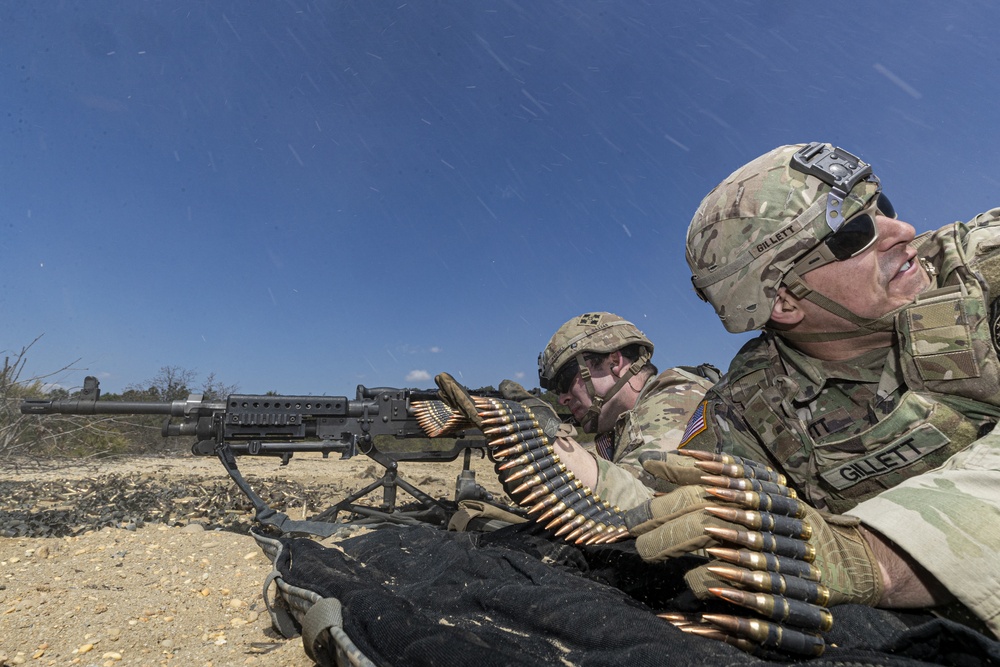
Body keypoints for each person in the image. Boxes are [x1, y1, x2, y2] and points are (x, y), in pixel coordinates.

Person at [674, 141, 1000, 636]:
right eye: (855, 233)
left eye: (882, 207)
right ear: (783, 300)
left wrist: (878, 559)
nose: (904, 230)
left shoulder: (985, 266)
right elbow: (687, 525)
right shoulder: (746, 411)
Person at [531, 311, 719, 509]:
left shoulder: (677, 398)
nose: (562, 398)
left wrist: (550, 440)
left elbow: (638, 504)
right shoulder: (621, 425)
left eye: (565, 380)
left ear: (614, 362)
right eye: (556, 391)